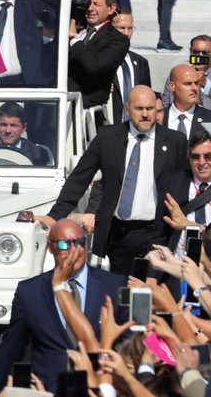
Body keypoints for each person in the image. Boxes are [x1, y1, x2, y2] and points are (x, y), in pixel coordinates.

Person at [42, 86, 188, 275]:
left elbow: (185, 184)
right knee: (121, 291)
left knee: (155, 294)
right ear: (127, 109)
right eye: (139, 109)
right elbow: (80, 178)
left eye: (150, 109)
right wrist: (55, 215)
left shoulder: (174, 141)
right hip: (120, 234)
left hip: (158, 231)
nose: (145, 114)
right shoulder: (108, 137)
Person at [0, 219, 126, 397]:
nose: (74, 250)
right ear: (50, 247)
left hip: (97, 389)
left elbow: (128, 342)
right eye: (65, 244)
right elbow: (11, 348)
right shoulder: (30, 291)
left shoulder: (113, 284)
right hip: (49, 390)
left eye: (79, 243)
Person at [67, 0, 130, 112]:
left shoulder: (117, 39)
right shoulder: (74, 28)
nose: (90, 8)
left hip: (86, 110)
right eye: (88, 3)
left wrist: (73, 40)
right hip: (58, 105)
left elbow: (94, 66)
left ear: (111, 8)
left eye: (96, 4)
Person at [0, 102, 53, 166]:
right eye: (3, 125)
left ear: (24, 127)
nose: (8, 130)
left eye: (13, 125)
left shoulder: (39, 154)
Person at [111, 11, 151, 124]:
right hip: (110, 124)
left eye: (130, 28)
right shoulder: (100, 59)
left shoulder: (141, 62)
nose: (126, 33)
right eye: (121, 28)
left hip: (135, 126)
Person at [165, 64, 211, 140]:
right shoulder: (160, 118)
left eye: (197, 83)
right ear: (172, 86)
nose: (194, 88)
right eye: (187, 84)